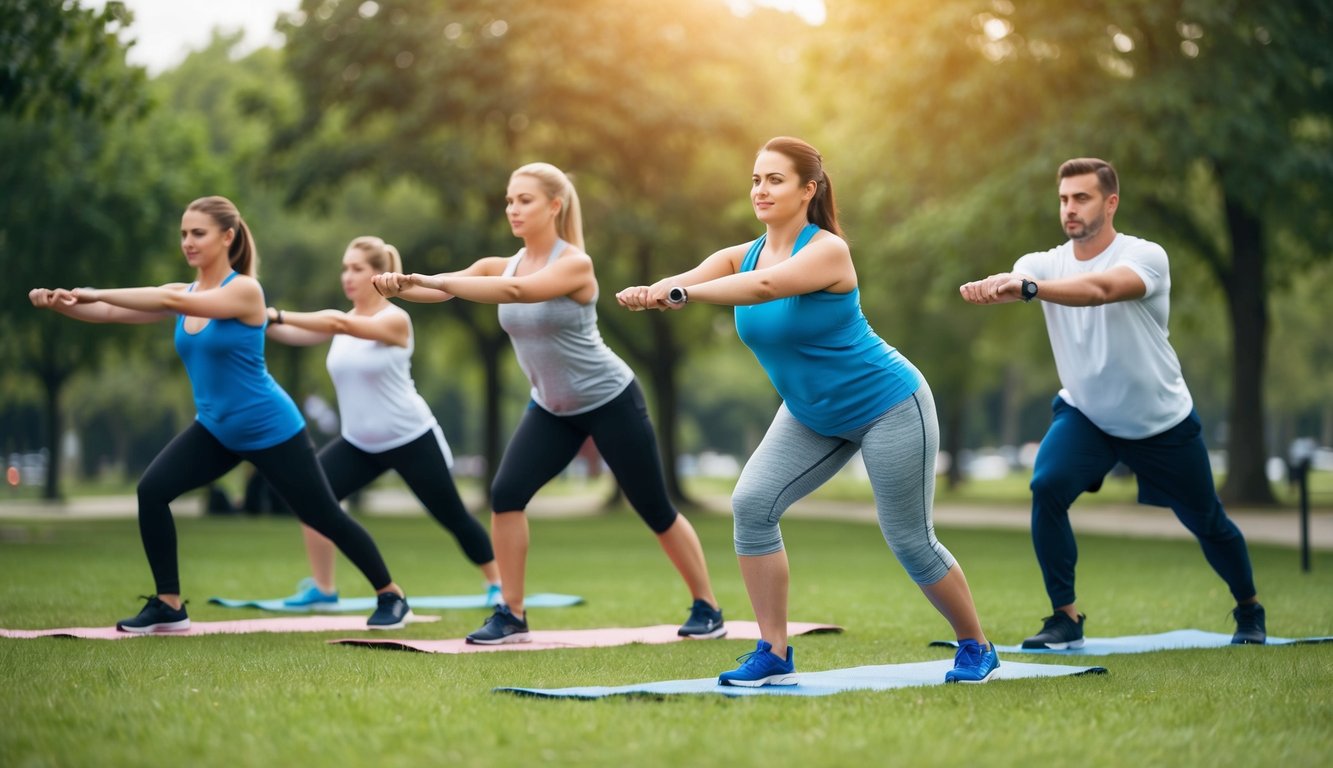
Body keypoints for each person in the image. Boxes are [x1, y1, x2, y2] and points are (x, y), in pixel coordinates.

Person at [617, 137, 1000, 685]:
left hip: (889, 405)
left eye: (775, 179)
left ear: (807, 190)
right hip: (811, 414)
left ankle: (976, 645)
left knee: (909, 538)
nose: (761, 189)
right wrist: (657, 289)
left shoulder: (828, 251)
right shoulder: (737, 254)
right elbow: (706, 275)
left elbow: (764, 287)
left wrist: (681, 296)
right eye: (755, 179)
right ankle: (773, 651)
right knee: (750, 504)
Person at [371, 162, 726, 644]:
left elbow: (517, 292)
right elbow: (443, 286)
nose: (513, 209)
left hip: (608, 398)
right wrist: (401, 284)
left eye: (525, 200)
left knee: (654, 507)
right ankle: (511, 613)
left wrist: (435, 282)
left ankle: (707, 606)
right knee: (506, 495)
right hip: (552, 407)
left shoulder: (574, 264)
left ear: (554, 205)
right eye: (509, 201)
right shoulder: (498, 264)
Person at [28, 196, 411, 632]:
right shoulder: (185, 293)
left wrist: (93, 289)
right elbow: (114, 311)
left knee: (322, 515)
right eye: (184, 234)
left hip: (271, 428)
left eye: (198, 233)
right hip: (216, 429)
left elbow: (165, 301)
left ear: (227, 237)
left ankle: (391, 594)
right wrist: (64, 302)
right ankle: (170, 604)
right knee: (152, 491)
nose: (187, 242)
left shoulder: (245, 290)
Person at [958, 157, 1265, 647]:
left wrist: (1029, 289)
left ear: (1111, 202)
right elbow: (1018, 281)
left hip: (1159, 422)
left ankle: (1249, 609)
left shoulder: (1146, 256)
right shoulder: (1042, 263)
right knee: (1047, 486)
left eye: (1082, 198)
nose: (1070, 209)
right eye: (1063, 199)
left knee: (1207, 520)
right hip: (1088, 415)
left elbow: (1101, 290)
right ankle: (1065, 616)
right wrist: (999, 287)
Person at [264, 235, 501, 607]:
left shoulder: (395, 319)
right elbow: (291, 332)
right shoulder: (342, 321)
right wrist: (252, 318)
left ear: (380, 273)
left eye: (357, 268)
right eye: (345, 268)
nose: (348, 276)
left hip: (409, 437)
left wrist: (276, 314)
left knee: (451, 515)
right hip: (359, 442)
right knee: (311, 498)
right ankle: (324, 589)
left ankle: (497, 583)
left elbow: (336, 325)